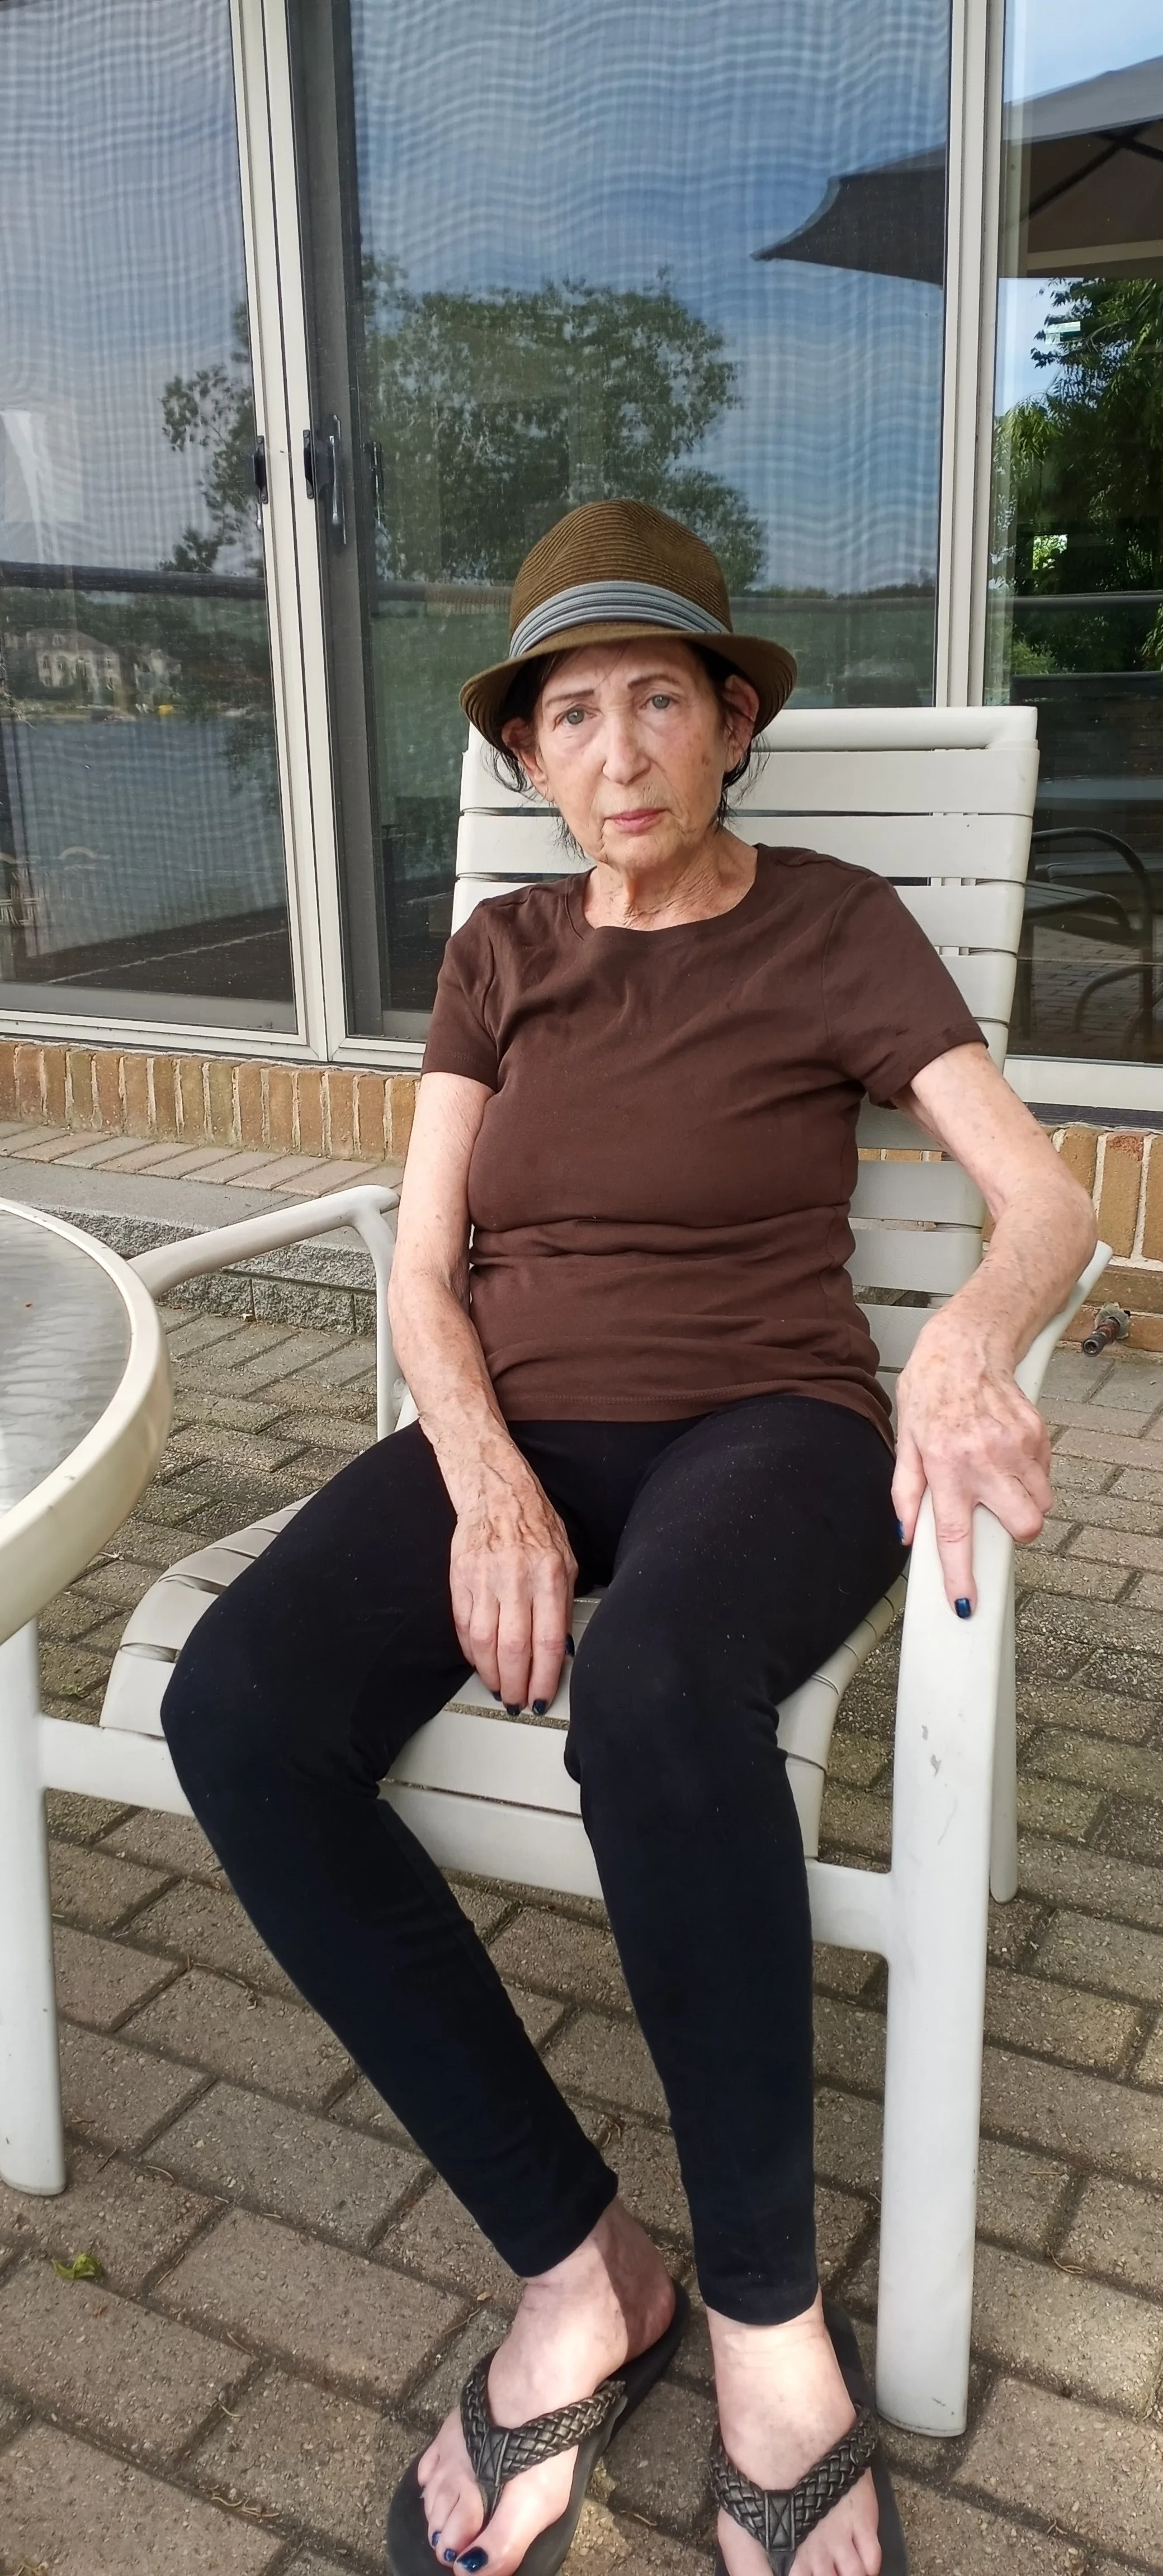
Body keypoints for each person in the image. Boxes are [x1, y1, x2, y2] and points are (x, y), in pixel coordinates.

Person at [162, 499, 1096, 2576]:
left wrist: (966, 1339)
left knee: (661, 1695)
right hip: (522, 1419)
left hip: (765, 1420)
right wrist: (485, 1477)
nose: (616, 752)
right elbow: (424, 1275)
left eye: (657, 700)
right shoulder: (499, 955)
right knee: (241, 1708)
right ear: (524, 760)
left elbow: (1041, 1199)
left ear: (731, 723)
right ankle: (582, 2264)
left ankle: (770, 2319)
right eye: (569, 715)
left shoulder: (839, 924)